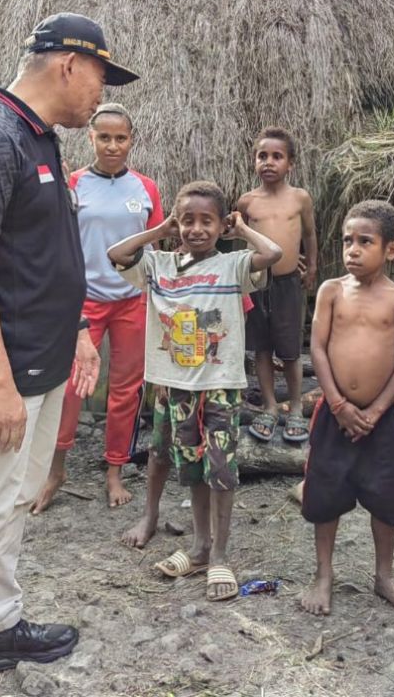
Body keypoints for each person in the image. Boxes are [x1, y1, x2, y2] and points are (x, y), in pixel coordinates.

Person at [0, 13, 132, 697]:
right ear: (68, 64)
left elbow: (43, 257)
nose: (102, 94)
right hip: (2, 376)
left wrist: (74, 337)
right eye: (100, 76)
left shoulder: (38, 138)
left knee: (13, 506)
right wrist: (2, 386)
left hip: (41, 364)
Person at [109, 180, 281, 601]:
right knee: (191, 469)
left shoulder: (234, 264)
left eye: (207, 221)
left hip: (220, 388)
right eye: (188, 220)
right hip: (176, 387)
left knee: (221, 470)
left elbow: (273, 255)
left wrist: (240, 229)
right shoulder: (160, 265)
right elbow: (117, 255)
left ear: (222, 225)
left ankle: (220, 554)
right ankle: (200, 547)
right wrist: (159, 230)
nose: (196, 229)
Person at [33, 103, 162, 513]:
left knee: (126, 389)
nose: (112, 145)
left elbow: (155, 248)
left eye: (120, 138)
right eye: (104, 137)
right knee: (73, 385)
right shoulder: (73, 184)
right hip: (83, 301)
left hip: (131, 300)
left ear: (131, 141)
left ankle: (115, 470)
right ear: (90, 138)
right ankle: (56, 469)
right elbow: (57, 241)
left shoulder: (146, 188)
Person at [298, 199, 394, 617]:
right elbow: (316, 346)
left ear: (391, 249)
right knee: (325, 492)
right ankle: (324, 574)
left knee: (387, 495)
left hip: (382, 418)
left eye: (364, 241)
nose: (352, 249)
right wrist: (337, 403)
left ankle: (384, 576)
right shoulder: (331, 291)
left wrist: (375, 410)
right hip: (334, 414)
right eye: (348, 240)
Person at [238, 127, 318, 443]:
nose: (268, 162)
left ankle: (296, 407)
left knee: (289, 350)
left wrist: (311, 265)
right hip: (256, 283)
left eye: (277, 156)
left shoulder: (300, 199)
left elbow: (310, 234)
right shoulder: (247, 201)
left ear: (291, 164)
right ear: (254, 161)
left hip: (288, 284)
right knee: (261, 347)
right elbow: (236, 237)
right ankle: (270, 406)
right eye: (262, 156)